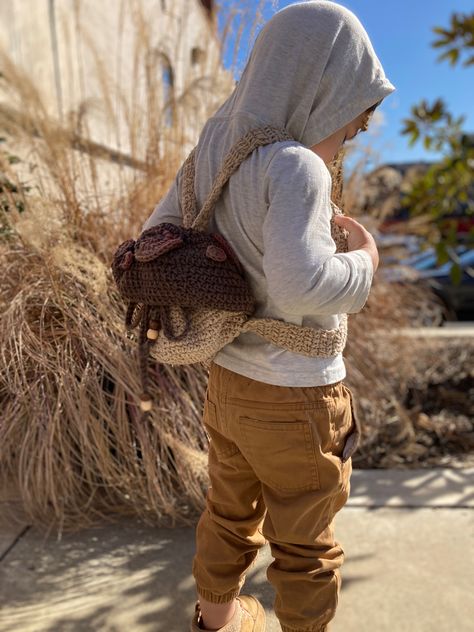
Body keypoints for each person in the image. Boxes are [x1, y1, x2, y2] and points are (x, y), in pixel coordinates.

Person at [142, 2, 395, 630]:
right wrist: (364, 262)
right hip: (300, 401)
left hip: (227, 384)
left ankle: (217, 620)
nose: (342, 146)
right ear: (319, 90)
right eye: (348, 125)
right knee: (306, 544)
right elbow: (300, 282)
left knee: (228, 512)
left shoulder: (210, 152)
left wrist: (224, 271)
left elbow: (155, 236)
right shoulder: (295, 166)